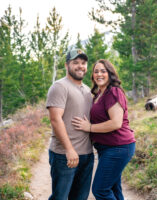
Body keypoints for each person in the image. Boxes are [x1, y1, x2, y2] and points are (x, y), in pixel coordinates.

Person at [71, 59, 136, 200]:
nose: (99, 74)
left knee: (100, 190)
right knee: (113, 188)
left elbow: (116, 123)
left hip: (118, 148)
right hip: (107, 148)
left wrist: (89, 127)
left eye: (103, 71)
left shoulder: (113, 92)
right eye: (96, 71)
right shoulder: (99, 94)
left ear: (110, 73)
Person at [46, 49, 94, 200]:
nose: (80, 66)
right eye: (75, 63)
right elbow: (55, 119)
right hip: (64, 156)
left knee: (80, 197)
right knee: (60, 197)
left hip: (87, 155)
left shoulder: (87, 90)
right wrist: (69, 149)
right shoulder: (60, 86)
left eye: (83, 63)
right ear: (67, 65)